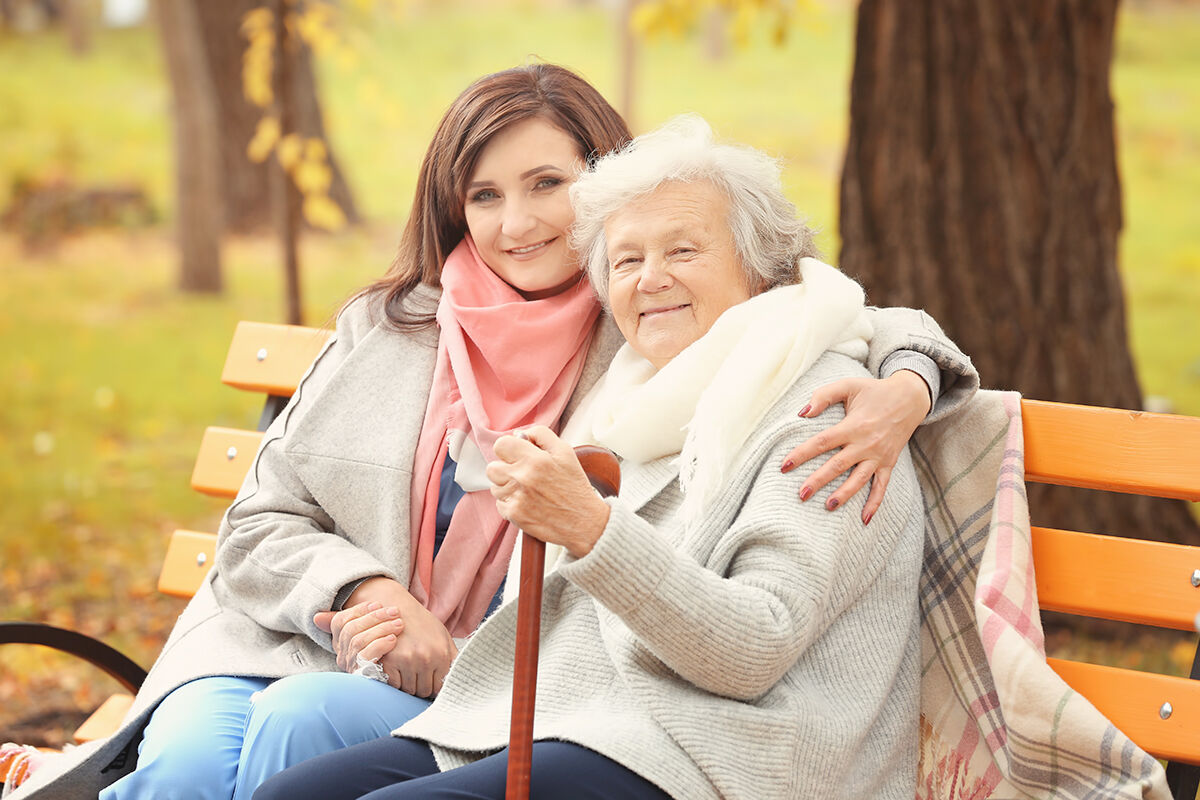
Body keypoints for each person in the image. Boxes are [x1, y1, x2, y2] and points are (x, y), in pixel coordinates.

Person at [13, 67, 975, 800]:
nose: (516, 223)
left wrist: (908, 382)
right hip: (287, 641)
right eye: (483, 195)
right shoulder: (395, 324)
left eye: (547, 184)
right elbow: (261, 522)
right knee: (191, 771)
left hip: (506, 682)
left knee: (294, 738)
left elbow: (821, 306)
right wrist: (363, 588)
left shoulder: (643, 330)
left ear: (603, 189)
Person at [252, 114, 934, 800]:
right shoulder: (633, 396)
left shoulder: (826, 420)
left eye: (684, 252)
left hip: (727, 756)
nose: (651, 279)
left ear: (762, 268)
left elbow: (753, 648)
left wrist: (591, 528)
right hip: (580, 723)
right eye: (628, 260)